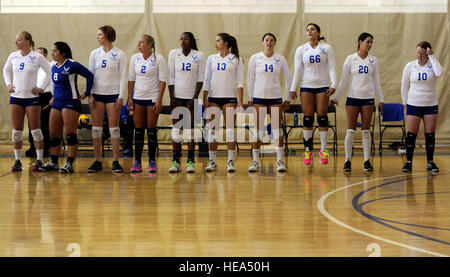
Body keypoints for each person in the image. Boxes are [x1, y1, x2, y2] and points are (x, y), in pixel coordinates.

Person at [331, 32, 384, 172]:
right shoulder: (350, 59)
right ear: (360, 42)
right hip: (353, 98)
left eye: (372, 42)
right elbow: (343, 80)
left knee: (366, 131)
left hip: (368, 99)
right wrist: (336, 97)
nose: (370, 44)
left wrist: (381, 99)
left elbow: (377, 81)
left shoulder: (374, 60)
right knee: (350, 130)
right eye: (368, 41)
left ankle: (367, 161)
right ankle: (347, 160)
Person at [40, 41, 94, 173]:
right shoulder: (53, 66)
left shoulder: (72, 64)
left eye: (54, 51)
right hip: (57, 102)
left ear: (62, 53)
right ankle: (54, 162)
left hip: (71, 102)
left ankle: (69, 163)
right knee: (54, 135)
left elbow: (89, 75)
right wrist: (53, 96)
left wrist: (86, 93)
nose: (52, 53)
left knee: (70, 135)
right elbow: (53, 83)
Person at [2, 31, 51, 171]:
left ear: (28, 41)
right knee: (16, 131)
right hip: (16, 98)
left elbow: (49, 71)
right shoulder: (13, 56)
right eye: (16, 40)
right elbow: (5, 70)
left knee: (36, 130)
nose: (16, 42)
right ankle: (17, 161)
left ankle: (40, 160)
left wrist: (41, 87)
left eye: (19, 40)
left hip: (32, 99)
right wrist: (8, 84)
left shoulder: (37, 57)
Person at [290, 23, 337, 166]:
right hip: (306, 86)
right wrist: (293, 88)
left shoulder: (326, 48)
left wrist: (334, 84)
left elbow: (332, 67)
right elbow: (298, 70)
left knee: (322, 118)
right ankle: (308, 150)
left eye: (312, 29)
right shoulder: (301, 49)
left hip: (322, 85)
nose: (310, 32)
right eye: (308, 30)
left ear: (318, 33)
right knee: (308, 119)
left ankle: (323, 149)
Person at [247, 33, 291, 173]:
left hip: (275, 98)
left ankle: (280, 161)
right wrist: (250, 98)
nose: (269, 42)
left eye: (272, 40)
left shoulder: (280, 58)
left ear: (275, 43)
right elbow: (250, 79)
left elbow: (288, 78)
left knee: (277, 130)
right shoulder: (255, 58)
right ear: (263, 42)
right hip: (259, 97)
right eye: (267, 40)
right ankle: (255, 161)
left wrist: (288, 98)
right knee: (259, 130)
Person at [87, 25, 127, 173]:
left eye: (100, 35)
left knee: (114, 129)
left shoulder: (120, 54)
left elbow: (123, 77)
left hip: (113, 94)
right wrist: (90, 94)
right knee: (96, 130)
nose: (97, 37)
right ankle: (98, 161)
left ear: (107, 36)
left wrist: (121, 96)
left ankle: (116, 161)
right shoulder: (94, 53)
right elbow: (90, 75)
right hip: (97, 94)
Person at [203, 32, 244, 173]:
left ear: (226, 43)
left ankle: (230, 161)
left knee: (230, 130)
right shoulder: (211, 58)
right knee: (213, 130)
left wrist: (240, 102)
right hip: (214, 98)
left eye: (218, 41)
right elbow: (207, 79)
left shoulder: (236, 59)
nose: (215, 43)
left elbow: (240, 82)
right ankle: (212, 161)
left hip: (230, 98)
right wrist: (205, 97)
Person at [401, 41, 443, 172]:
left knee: (430, 135)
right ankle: (408, 162)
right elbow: (404, 85)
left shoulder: (432, 64)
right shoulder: (410, 66)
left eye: (422, 53)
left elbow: (439, 73)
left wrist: (433, 57)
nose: (419, 55)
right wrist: (405, 102)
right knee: (411, 135)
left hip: (430, 104)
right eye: (417, 52)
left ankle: (430, 162)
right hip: (414, 103)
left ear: (427, 52)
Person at [128, 34, 167, 173]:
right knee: (138, 131)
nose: (139, 45)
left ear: (150, 45)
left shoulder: (159, 58)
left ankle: (152, 162)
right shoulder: (135, 58)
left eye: (142, 43)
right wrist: (130, 98)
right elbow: (131, 79)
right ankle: (137, 161)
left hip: (152, 98)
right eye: (138, 42)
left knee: (151, 131)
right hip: (138, 98)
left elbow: (163, 81)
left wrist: (159, 99)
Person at [168, 32, 205, 173]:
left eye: (186, 38)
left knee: (191, 132)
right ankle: (176, 161)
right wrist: (172, 97)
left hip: (192, 98)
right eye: (181, 39)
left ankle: (190, 161)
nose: (183, 41)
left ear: (191, 41)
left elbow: (200, 78)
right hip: (177, 98)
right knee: (177, 131)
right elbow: (171, 76)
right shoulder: (173, 54)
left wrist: (194, 97)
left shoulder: (199, 55)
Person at [25, 47, 52, 159]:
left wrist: (53, 97)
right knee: (32, 123)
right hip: (33, 96)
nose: (38, 56)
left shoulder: (50, 66)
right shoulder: (33, 66)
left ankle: (45, 148)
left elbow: (54, 83)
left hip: (46, 96)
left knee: (44, 123)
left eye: (40, 54)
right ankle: (33, 146)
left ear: (45, 56)